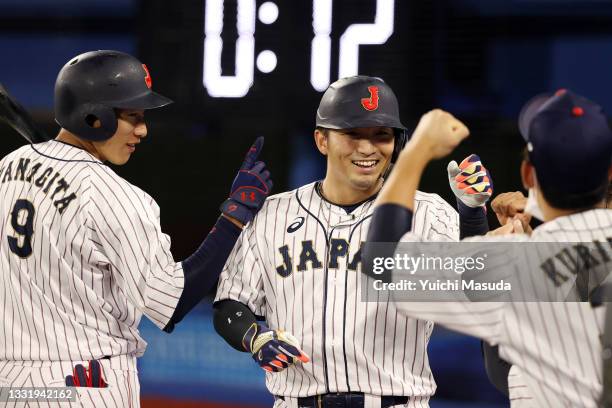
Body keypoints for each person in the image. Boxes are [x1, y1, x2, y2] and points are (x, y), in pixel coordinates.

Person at [0, 50, 272, 407]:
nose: (142, 130)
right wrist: (234, 217)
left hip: (14, 385)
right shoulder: (117, 196)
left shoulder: (9, 167)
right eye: (132, 117)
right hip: (86, 384)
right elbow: (172, 303)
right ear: (94, 117)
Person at [213, 75, 492, 408]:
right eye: (352, 134)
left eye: (381, 135)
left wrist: (473, 216)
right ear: (322, 140)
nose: (367, 148)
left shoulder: (428, 212)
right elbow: (230, 304)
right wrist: (254, 338)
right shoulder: (273, 214)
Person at [364, 89, 612, 407]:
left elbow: (382, 263)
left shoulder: (515, 265)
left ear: (528, 174)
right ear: (607, 172)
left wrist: (416, 152)